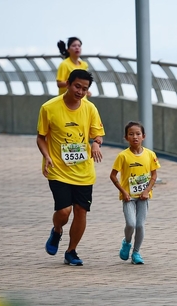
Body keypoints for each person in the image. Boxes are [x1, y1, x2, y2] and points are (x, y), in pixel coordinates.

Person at [37, 69, 104, 266]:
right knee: (64, 211)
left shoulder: (90, 108)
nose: (80, 92)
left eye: (84, 88)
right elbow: (41, 137)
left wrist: (96, 143)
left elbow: (98, 134)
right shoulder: (49, 108)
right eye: (77, 86)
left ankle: (71, 251)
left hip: (83, 171)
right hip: (58, 168)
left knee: (81, 211)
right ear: (68, 84)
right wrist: (47, 156)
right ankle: (57, 230)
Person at [110, 121, 160, 265]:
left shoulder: (150, 155)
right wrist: (124, 192)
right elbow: (113, 175)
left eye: (138, 134)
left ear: (143, 136)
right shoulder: (123, 156)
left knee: (140, 225)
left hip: (143, 197)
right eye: (131, 134)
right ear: (126, 137)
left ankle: (136, 252)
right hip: (128, 197)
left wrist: (147, 190)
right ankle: (126, 242)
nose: (135, 137)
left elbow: (154, 175)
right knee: (131, 224)